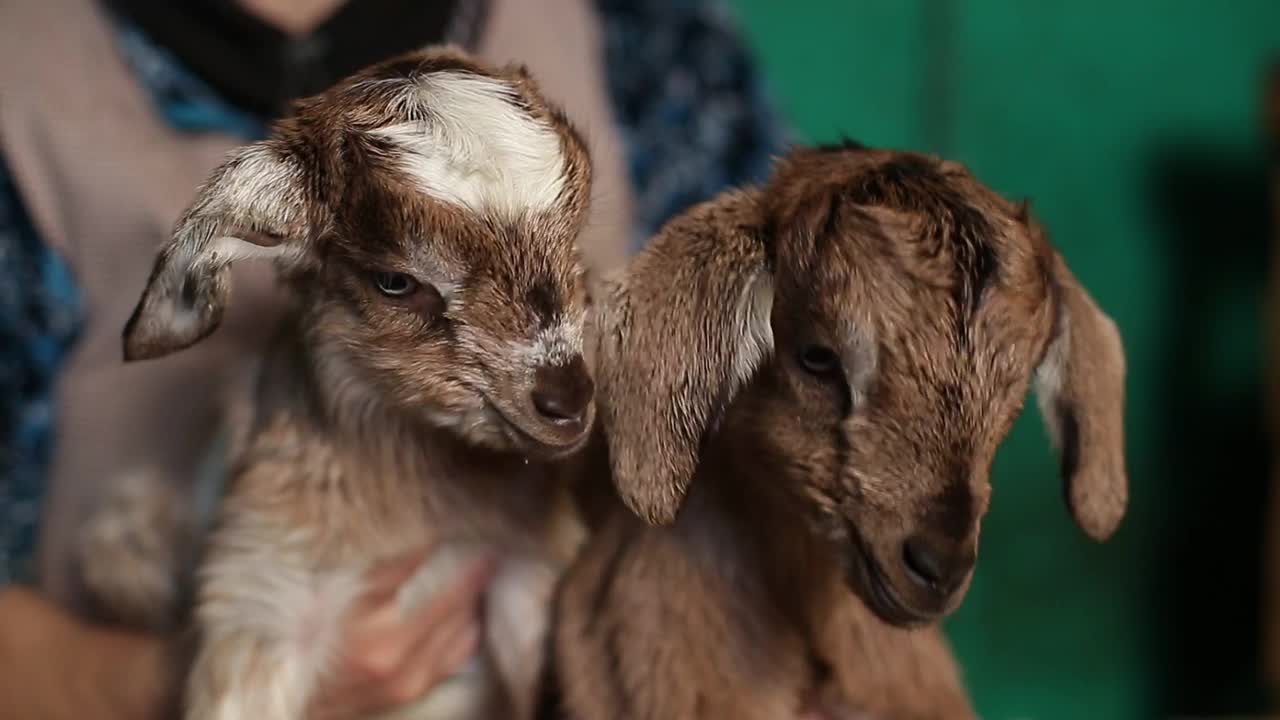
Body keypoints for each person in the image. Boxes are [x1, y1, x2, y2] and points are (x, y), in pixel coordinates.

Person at [0, 0, 788, 718]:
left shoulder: (647, 33)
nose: (564, 373)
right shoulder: (29, 64)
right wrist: (170, 681)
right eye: (401, 281)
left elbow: (776, 379)